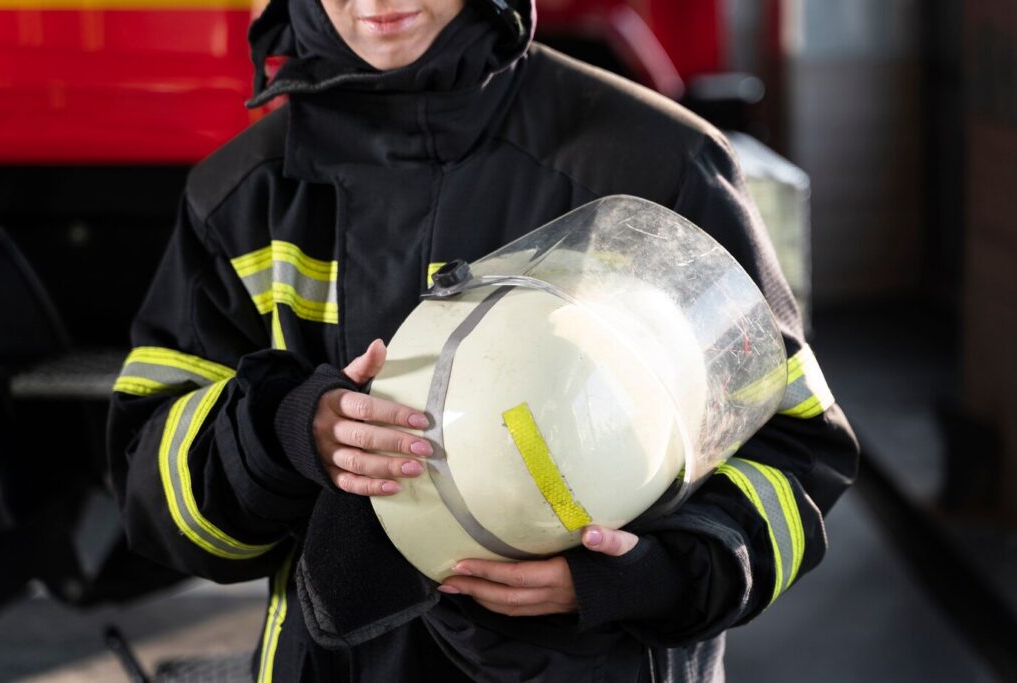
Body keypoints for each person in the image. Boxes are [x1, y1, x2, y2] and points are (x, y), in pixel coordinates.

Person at [107, 0, 859, 680]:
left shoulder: (653, 167)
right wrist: (279, 432)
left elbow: (792, 447)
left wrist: (647, 577)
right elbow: (150, 480)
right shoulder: (243, 197)